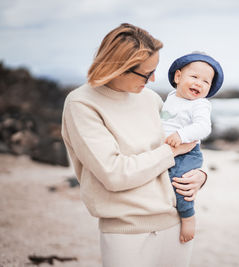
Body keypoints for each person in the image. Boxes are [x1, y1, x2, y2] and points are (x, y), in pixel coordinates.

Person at [61, 23, 207, 267]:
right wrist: (170, 151)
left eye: (155, 70)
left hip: (176, 224)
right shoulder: (81, 104)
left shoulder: (150, 98)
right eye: (146, 72)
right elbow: (114, 174)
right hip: (125, 232)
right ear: (119, 68)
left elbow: (184, 145)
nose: (153, 79)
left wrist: (200, 176)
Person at [161, 52, 223, 243]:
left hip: (187, 153)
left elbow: (204, 127)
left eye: (205, 81)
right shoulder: (171, 96)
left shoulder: (200, 105)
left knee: (180, 183)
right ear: (178, 77)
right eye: (194, 77)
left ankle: (188, 216)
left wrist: (181, 135)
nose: (199, 83)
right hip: (170, 149)